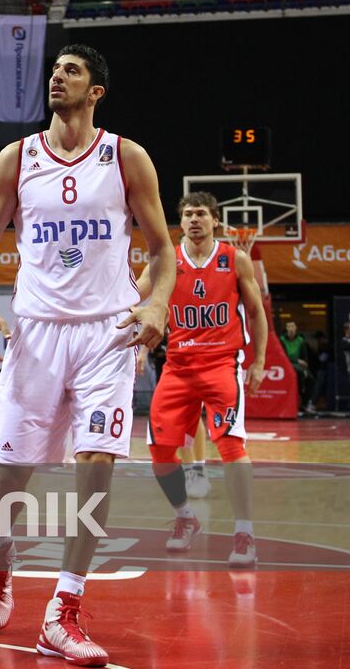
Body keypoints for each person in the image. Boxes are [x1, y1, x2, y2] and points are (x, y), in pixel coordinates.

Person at [0, 45, 175, 665]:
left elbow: (162, 250)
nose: (56, 76)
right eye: (54, 69)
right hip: (35, 333)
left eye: (71, 71)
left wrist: (156, 306)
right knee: (10, 478)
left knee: (98, 462)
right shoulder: (18, 157)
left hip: (107, 334)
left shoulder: (125, 157)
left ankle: (64, 609)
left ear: (96, 92)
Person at [139, 192, 267, 568]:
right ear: (181, 222)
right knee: (160, 454)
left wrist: (257, 362)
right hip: (177, 366)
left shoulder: (234, 259)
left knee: (231, 446)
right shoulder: (166, 261)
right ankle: (185, 518)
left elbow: (257, 314)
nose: (194, 219)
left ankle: (245, 532)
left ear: (215, 221)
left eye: (201, 214)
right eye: (188, 214)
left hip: (221, 365)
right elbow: (133, 296)